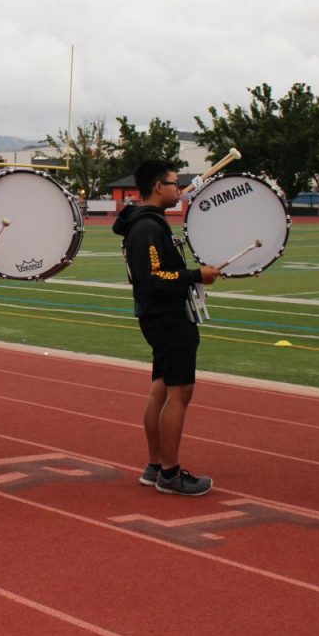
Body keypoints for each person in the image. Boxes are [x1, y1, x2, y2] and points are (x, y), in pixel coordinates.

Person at [113, 160, 219, 496]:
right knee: (179, 392)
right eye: (174, 183)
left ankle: (156, 465)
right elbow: (155, 278)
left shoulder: (149, 223)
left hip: (160, 315)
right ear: (158, 187)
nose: (178, 189)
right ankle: (170, 473)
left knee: (161, 387)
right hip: (168, 316)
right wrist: (194, 276)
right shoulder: (148, 229)